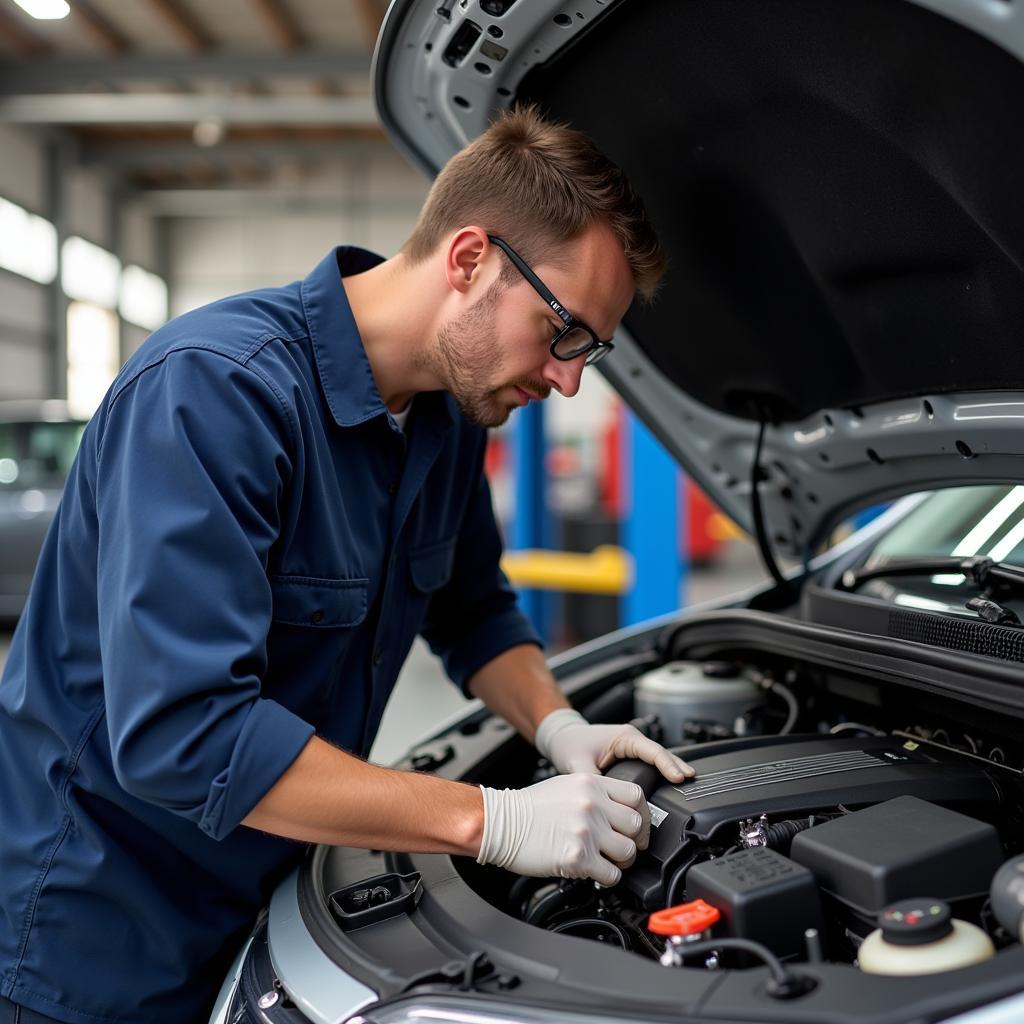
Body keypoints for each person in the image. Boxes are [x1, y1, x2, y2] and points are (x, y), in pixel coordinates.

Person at [0, 105, 689, 1024]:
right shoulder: (216, 392)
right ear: (470, 259)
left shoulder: (444, 420)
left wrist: (560, 725)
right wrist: (494, 820)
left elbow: (475, 612)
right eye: (563, 331)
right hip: (96, 937)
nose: (567, 378)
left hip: (274, 899)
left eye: (588, 352)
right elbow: (186, 738)